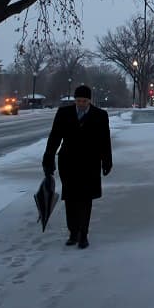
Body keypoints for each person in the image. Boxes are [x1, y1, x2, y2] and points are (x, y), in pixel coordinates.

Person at [42, 84, 112, 249]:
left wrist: (107, 161)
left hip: (90, 163)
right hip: (69, 162)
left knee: (86, 200)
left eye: (84, 101)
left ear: (89, 100)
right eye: (78, 100)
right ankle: (73, 232)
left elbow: (105, 140)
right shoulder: (64, 113)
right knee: (71, 199)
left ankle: (83, 234)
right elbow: (54, 137)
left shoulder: (100, 115)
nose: (81, 104)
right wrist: (48, 159)